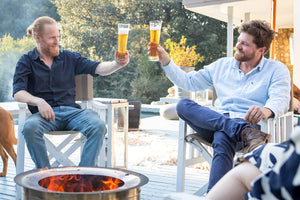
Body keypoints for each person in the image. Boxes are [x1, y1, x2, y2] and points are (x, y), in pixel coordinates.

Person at [154, 20, 291, 192]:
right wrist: (166, 61)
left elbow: (281, 99)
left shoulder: (276, 70)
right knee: (183, 105)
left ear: (261, 50)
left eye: (244, 44)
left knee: (222, 136)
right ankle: (239, 130)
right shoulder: (221, 66)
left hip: (250, 124)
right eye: (239, 41)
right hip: (242, 131)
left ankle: (214, 194)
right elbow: (189, 82)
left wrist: (266, 110)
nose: (238, 46)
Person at [12, 16, 129, 169]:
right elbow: (18, 92)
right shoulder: (26, 61)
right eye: (52, 38)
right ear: (37, 38)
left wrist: (117, 64)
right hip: (44, 116)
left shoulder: (69, 57)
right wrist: (38, 101)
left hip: (73, 114)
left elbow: (98, 68)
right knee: (29, 128)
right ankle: (46, 175)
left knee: (97, 125)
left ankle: (84, 175)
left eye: (58, 37)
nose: (57, 41)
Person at [204, 126, 300, 200]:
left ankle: (238, 128)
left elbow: (281, 99)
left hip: (252, 121)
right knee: (222, 133)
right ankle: (240, 128)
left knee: (222, 136)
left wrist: (268, 109)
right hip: (223, 120)